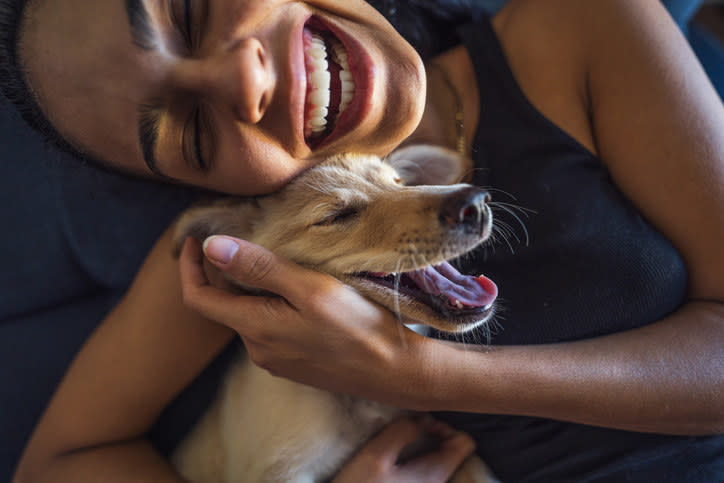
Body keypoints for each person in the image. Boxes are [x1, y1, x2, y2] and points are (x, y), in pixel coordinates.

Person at [1, 0, 722, 481]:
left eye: (189, 10)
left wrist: (418, 374)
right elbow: (61, 461)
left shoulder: (586, 29)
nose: (245, 78)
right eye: (192, 130)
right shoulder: (242, 246)